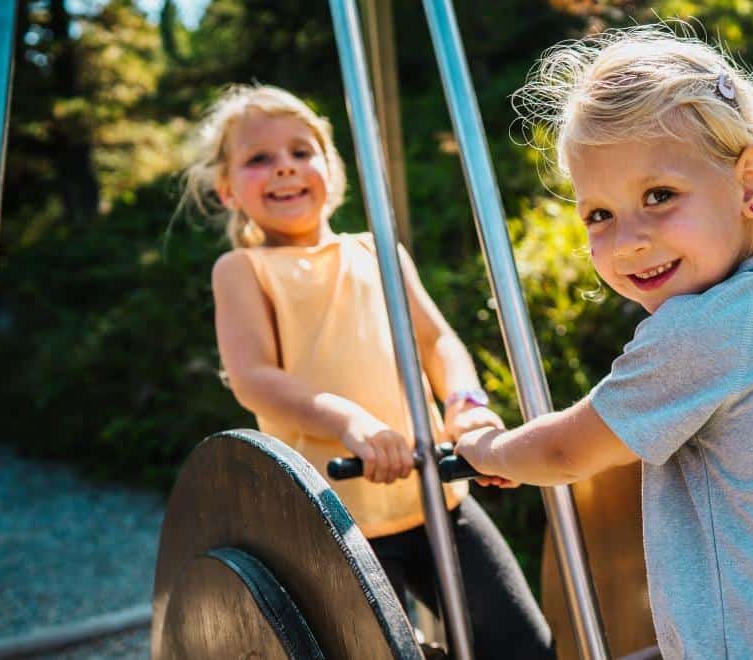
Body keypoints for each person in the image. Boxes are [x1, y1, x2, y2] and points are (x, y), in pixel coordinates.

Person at [455, 27, 753, 658]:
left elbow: (561, 453)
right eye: (599, 214)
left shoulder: (704, 331)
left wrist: (487, 448)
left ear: (750, 184)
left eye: (658, 196)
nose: (628, 240)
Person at [180, 84, 553, 658]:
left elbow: (439, 343)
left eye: (301, 152)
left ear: (332, 170)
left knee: (522, 643)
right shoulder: (243, 269)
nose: (285, 168)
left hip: (435, 495)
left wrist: (467, 407)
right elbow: (254, 377)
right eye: (260, 158)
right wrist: (349, 420)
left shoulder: (378, 251)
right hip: (332, 520)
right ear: (228, 190)